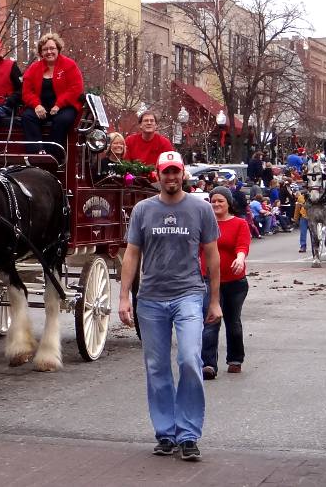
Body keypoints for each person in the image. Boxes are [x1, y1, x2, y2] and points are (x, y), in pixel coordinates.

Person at [118, 151, 222, 462]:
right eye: (166, 172)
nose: (171, 177)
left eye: (176, 172)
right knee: (156, 367)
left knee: (190, 358)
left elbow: (212, 256)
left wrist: (214, 300)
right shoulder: (143, 210)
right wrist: (124, 296)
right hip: (150, 298)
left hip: (188, 294)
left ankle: (188, 434)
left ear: (184, 174)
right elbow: (132, 254)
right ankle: (165, 433)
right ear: (158, 175)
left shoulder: (201, 209)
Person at [202, 186, 250, 379]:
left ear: (229, 203)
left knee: (233, 321)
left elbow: (242, 245)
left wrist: (240, 258)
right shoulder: (205, 223)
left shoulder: (239, 223)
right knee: (211, 321)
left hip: (235, 281)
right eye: (213, 201)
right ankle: (208, 364)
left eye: (220, 201)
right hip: (208, 279)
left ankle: (235, 359)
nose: (216, 204)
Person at [21, 33, 84, 163]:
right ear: (40, 52)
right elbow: (27, 91)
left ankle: (54, 153)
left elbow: (76, 88)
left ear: (58, 49)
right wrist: (37, 105)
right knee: (27, 116)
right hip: (41, 107)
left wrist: (59, 104)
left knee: (62, 119)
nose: (49, 52)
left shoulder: (69, 65)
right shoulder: (34, 68)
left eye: (52, 48)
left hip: (65, 106)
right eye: (45, 49)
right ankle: (37, 152)